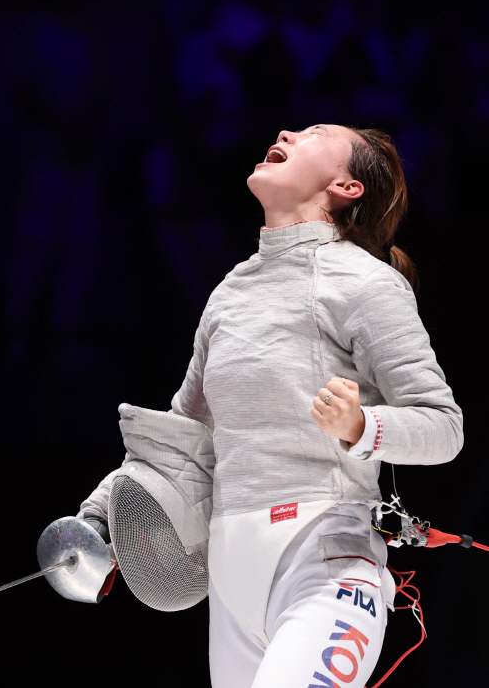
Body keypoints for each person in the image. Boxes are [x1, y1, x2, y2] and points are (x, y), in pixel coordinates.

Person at [78, 124, 463, 687]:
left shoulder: (366, 284)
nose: (286, 131)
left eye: (315, 133)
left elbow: (443, 426)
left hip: (325, 570)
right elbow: (187, 435)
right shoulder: (232, 292)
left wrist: (362, 425)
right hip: (232, 584)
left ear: (345, 187)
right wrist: (100, 518)